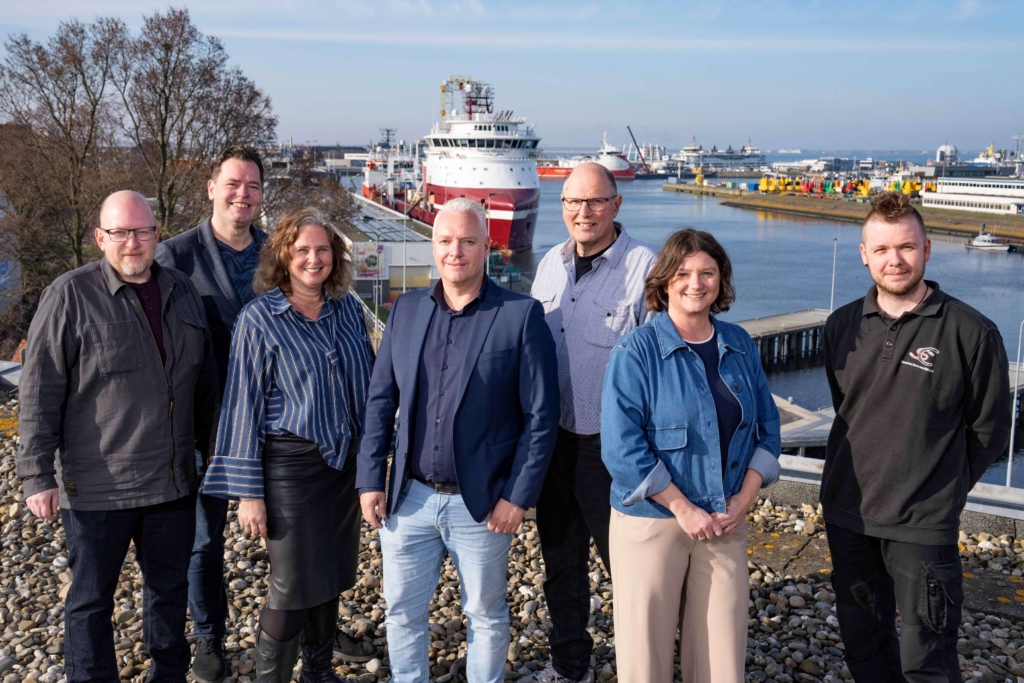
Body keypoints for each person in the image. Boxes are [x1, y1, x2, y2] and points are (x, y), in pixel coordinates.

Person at [17, 190, 220, 683]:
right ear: (100, 238)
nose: (133, 243)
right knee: (90, 601)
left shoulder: (181, 290)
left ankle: (168, 675)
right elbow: (39, 388)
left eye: (143, 231)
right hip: (96, 486)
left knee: (168, 594)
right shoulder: (69, 295)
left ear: (157, 234)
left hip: (171, 483)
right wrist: (36, 473)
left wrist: (216, 459)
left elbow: (205, 384)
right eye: (121, 233)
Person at [356, 198, 559, 683]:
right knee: (402, 612)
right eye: (446, 241)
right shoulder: (404, 311)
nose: (456, 252)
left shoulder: (520, 316)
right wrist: (370, 479)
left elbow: (541, 417)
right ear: (433, 245)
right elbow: (381, 402)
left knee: (485, 614)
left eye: (468, 241)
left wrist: (517, 497)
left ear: (487, 247)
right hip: (409, 497)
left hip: (484, 504)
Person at [822, 192, 1012, 683]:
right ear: (864, 254)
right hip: (849, 513)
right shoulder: (841, 325)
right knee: (864, 643)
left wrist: (940, 488)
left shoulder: (972, 331)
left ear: (928, 249)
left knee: (927, 656)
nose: (895, 260)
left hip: (922, 524)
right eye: (881, 249)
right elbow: (848, 409)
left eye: (906, 247)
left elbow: (989, 429)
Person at [202, 208, 375, 683]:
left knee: (329, 575)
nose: (313, 259)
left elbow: (369, 388)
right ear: (283, 256)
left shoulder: (347, 311)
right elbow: (242, 407)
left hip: (342, 468)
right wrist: (249, 493)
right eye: (302, 250)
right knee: (290, 583)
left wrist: (375, 463)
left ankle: (319, 673)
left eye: (322, 250)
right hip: (289, 471)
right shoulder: (259, 319)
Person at [601, 228, 781, 683]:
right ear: (663, 282)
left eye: (707, 272)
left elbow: (768, 430)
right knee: (646, 663)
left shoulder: (740, 344)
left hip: (724, 520)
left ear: (722, 279)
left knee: (721, 661)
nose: (695, 283)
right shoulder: (635, 352)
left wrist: (743, 501)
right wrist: (682, 507)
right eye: (682, 273)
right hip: (651, 523)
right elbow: (621, 448)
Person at [525, 162, 656, 683]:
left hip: (613, 451)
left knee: (628, 572)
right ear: (562, 208)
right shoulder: (549, 265)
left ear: (616, 205)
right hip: (555, 443)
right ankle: (570, 666)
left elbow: (661, 361)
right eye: (573, 202)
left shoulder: (644, 267)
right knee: (561, 565)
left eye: (596, 201)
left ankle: (639, 669)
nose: (584, 212)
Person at [156, 145, 271, 682]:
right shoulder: (173, 257)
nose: (242, 194)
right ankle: (208, 637)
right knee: (204, 542)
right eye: (232, 183)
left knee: (292, 533)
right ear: (211, 188)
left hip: (274, 421)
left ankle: (304, 627)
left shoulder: (280, 254)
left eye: (251, 185)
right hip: (203, 424)